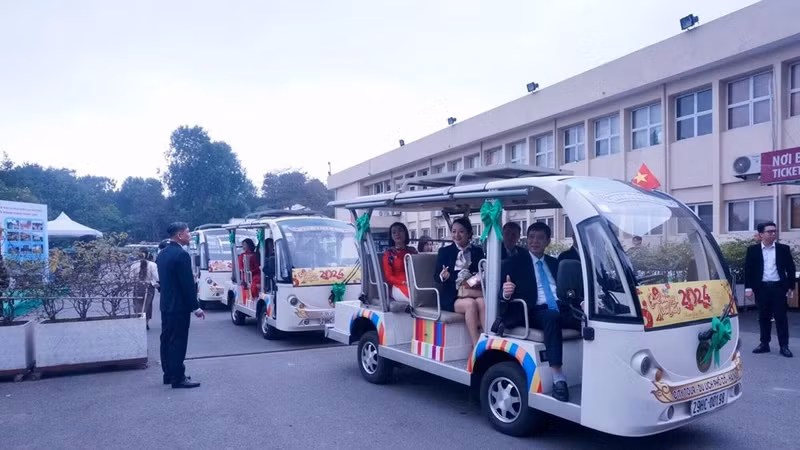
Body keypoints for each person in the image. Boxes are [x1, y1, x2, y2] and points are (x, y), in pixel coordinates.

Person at [500, 222, 581, 402]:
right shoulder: (514, 263)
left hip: (562, 306)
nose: (534, 241)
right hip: (533, 310)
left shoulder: (555, 262)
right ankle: (558, 377)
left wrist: (580, 302)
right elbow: (500, 292)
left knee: (589, 321)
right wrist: (505, 293)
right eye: (531, 237)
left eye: (540, 238)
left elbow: (569, 288)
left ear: (547, 241)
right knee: (552, 317)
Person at [157, 222, 206, 389]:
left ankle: (169, 374)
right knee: (178, 342)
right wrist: (196, 307)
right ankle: (178, 378)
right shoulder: (181, 255)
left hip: (166, 305)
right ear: (179, 235)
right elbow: (187, 285)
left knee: (167, 340)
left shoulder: (162, 253)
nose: (190, 235)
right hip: (179, 307)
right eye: (188, 232)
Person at [745, 221, 795, 358]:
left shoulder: (783, 249)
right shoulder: (752, 250)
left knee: (781, 318)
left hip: (779, 288)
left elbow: (790, 268)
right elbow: (748, 270)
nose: (773, 233)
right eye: (769, 231)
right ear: (761, 234)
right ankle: (764, 344)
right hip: (762, 288)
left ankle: (784, 346)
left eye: (774, 231)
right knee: (763, 317)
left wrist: (791, 286)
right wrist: (748, 288)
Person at [435, 217, 485, 346]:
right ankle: (476, 345)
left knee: (482, 302)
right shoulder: (444, 252)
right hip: (451, 294)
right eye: (453, 231)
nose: (456, 235)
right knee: (470, 304)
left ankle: (488, 339)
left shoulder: (477, 251)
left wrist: (471, 281)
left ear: (469, 233)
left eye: (461, 231)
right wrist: (443, 276)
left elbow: (481, 272)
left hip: (471, 288)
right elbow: (436, 276)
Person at [382, 222, 418, 302]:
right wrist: (403, 282)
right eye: (394, 232)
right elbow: (388, 277)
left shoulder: (412, 251)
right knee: (414, 300)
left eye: (400, 231)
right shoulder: (389, 253)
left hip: (414, 283)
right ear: (391, 236)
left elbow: (418, 269)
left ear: (405, 233)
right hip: (398, 285)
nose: (397, 234)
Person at [130, 247, 159, 330]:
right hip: (148, 287)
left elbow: (131, 277)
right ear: (148, 254)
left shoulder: (134, 265)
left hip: (137, 286)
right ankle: (146, 322)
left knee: (137, 304)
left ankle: (139, 320)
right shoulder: (153, 265)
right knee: (148, 305)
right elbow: (157, 278)